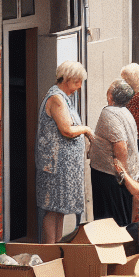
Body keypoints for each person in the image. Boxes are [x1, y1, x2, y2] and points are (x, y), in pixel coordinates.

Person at [35, 61, 94, 244]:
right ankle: (50, 248)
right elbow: (67, 130)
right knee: (53, 208)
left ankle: (56, 246)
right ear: (67, 79)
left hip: (62, 167)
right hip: (55, 166)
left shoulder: (63, 98)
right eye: (77, 82)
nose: (79, 87)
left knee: (59, 209)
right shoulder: (56, 99)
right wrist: (86, 130)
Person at [90, 79, 139, 227]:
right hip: (121, 175)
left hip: (111, 176)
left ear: (111, 95)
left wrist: (122, 176)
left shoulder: (109, 113)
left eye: (109, 89)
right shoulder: (125, 112)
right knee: (121, 220)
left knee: (110, 223)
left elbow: (121, 145)